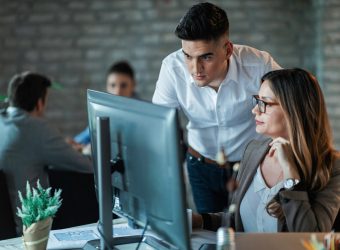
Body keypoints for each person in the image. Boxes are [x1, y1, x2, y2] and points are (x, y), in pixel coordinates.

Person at [152, 2, 281, 213]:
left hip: (252, 167)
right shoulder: (171, 68)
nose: (195, 69)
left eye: (206, 57)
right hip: (200, 164)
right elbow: (158, 127)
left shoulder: (260, 65)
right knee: (209, 235)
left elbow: (290, 109)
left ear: (227, 49)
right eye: (188, 56)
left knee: (248, 233)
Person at [193, 68, 340, 232]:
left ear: (293, 109)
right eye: (257, 100)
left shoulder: (332, 167)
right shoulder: (254, 151)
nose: (255, 110)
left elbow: (311, 237)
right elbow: (237, 220)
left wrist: (291, 176)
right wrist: (199, 220)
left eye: (265, 103)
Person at [0, 72, 93, 234]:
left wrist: (60, 145)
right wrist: (85, 151)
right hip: (30, 228)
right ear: (39, 103)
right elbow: (87, 166)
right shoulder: (37, 129)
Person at [73, 61, 138, 146]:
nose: (117, 92)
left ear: (133, 85)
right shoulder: (103, 112)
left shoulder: (143, 114)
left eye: (123, 85)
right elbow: (85, 136)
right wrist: (74, 144)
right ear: (107, 87)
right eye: (113, 85)